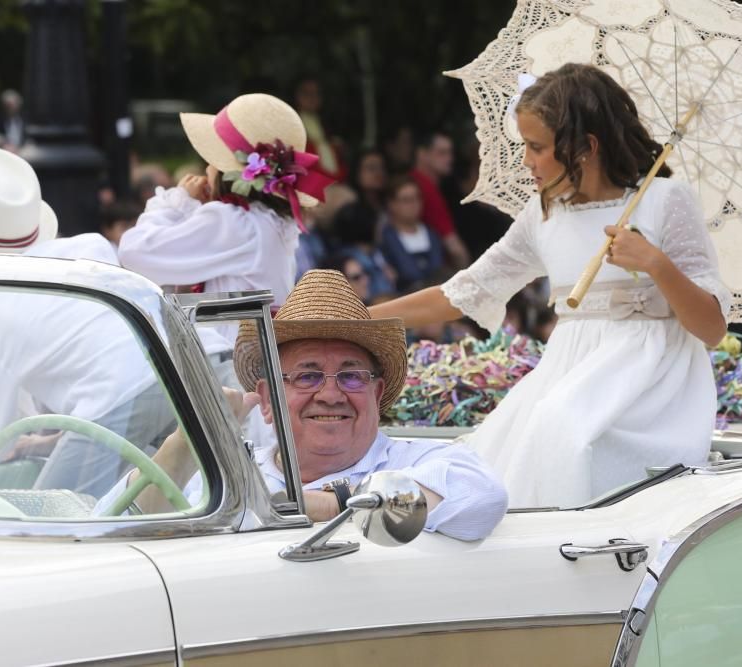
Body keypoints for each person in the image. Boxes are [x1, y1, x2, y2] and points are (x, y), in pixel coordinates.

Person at [370, 63, 731, 508]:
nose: (526, 160)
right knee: (494, 450)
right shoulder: (544, 216)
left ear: (585, 147)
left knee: (563, 431)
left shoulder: (664, 201)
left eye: (536, 147)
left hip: (650, 388)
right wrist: (356, 318)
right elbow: (464, 292)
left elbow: (712, 329)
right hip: (569, 372)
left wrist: (656, 263)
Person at [103, 270, 508, 541]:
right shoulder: (226, 476)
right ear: (266, 399)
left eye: (351, 375)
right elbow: (112, 528)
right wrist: (187, 442)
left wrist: (333, 501)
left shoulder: (420, 461)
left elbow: (481, 499)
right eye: (307, 375)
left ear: (377, 392)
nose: (330, 394)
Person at [0, 146, 177, 497]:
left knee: (52, 520)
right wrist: (49, 442)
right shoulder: (88, 248)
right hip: (184, 368)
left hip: (119, 397)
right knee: (175, 494)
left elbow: (0, 427)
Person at [118, 93, 335, 343]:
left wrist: (177, 204)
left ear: (224, 173)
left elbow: (135, 253)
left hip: (228, 372)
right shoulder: (274, 222)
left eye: (209, 162)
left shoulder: (235, 222)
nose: (205, 169)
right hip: (255, 365)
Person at [410, 131, 470, 269]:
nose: (450, 159)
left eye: (450, 153)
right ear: (422, 154)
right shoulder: (424, 187)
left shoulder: (422, 183)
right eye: (442, 153)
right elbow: (454, 247)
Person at [379, 175, 444, 292]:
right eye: (406, 200)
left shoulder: (432, 234)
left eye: (416, 198)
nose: (413, 204)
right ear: (392, 204)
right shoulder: (384, 240)